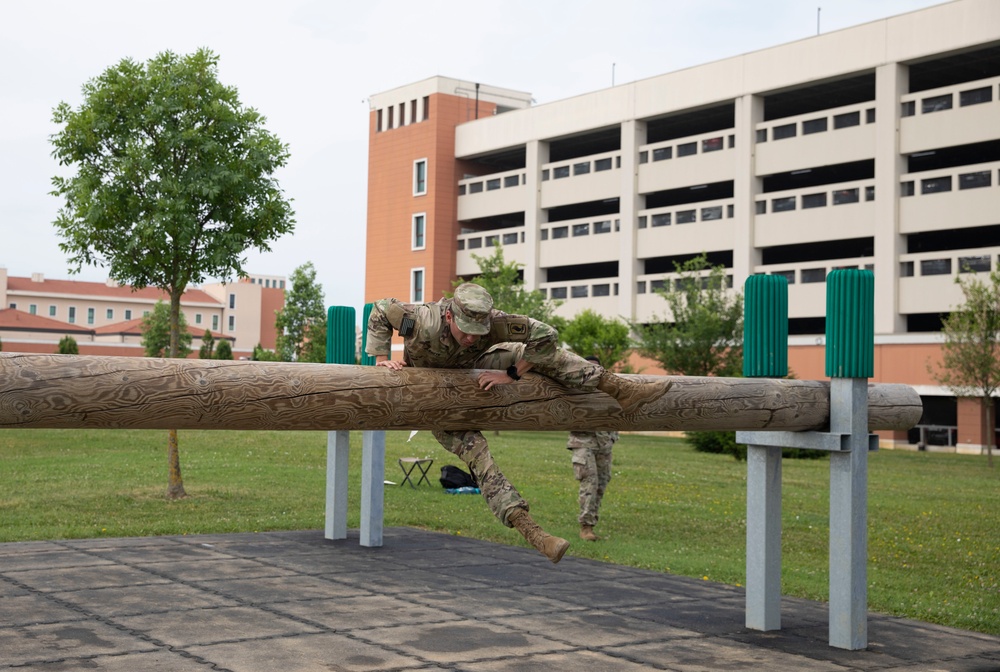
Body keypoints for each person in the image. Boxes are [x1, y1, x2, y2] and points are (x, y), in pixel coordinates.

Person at [365, 282, 671, 563]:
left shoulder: (494, 323)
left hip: (474, 368)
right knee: (478, 456)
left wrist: (513, 374)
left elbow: (545, 335)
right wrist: (381, 359)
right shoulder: (420, 319)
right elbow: (380, 310)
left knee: (538, 354)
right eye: (466, 330)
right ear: (449, 317)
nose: (472, 337)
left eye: (478, 331)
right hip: (430, 391)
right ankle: (533, 533)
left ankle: (622, 390)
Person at [567, 356, 619, 542]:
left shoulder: (608, 389)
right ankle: (586, 527)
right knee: (590, 483)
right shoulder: (573, 388)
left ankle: (591, 522)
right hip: (584, 441)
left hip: (605, 442)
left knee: (601, 485)